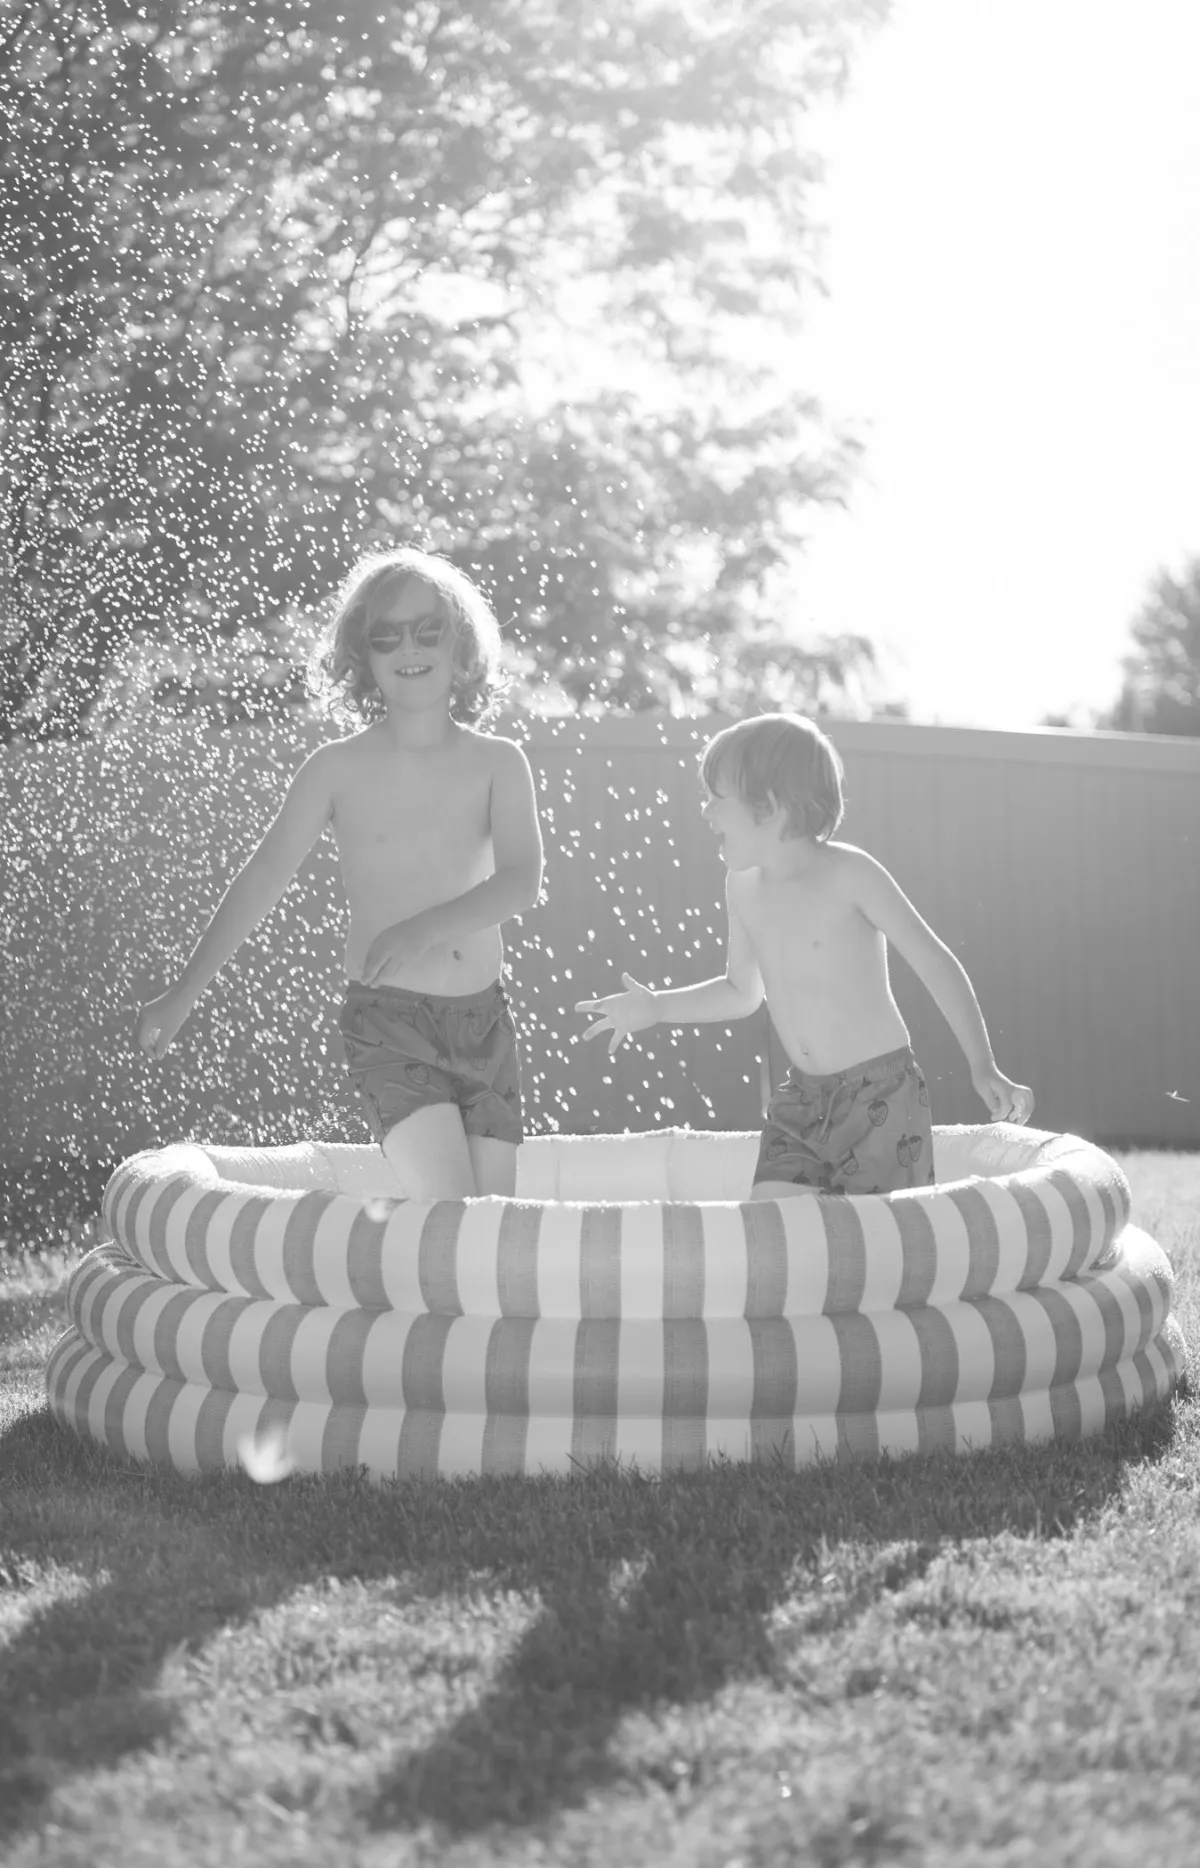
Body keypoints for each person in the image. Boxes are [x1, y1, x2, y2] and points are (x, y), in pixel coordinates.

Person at [135, 546, 544, 1199]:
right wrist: (185, 991)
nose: (408, 647)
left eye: (428, 629)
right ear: (362, 657)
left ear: (462, 645)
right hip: (390, 1024)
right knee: (453, 1211)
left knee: (493, 1226)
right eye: (386, 636)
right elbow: (264, 876)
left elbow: (520, 882)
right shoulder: (336, 768)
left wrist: (422, 931)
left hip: (482, 1023)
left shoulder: (498, 762)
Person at [576, 713, 1032, 1198]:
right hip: (801, 1100)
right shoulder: (743, 887)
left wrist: (983, 1065)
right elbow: (740, 991)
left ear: (767, 807)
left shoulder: (851, 875)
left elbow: (936, 965)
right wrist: (658, 1007)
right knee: (773, 1237)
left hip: (880, 1095)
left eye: (716, 798)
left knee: (880, 1248)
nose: (706, 812)